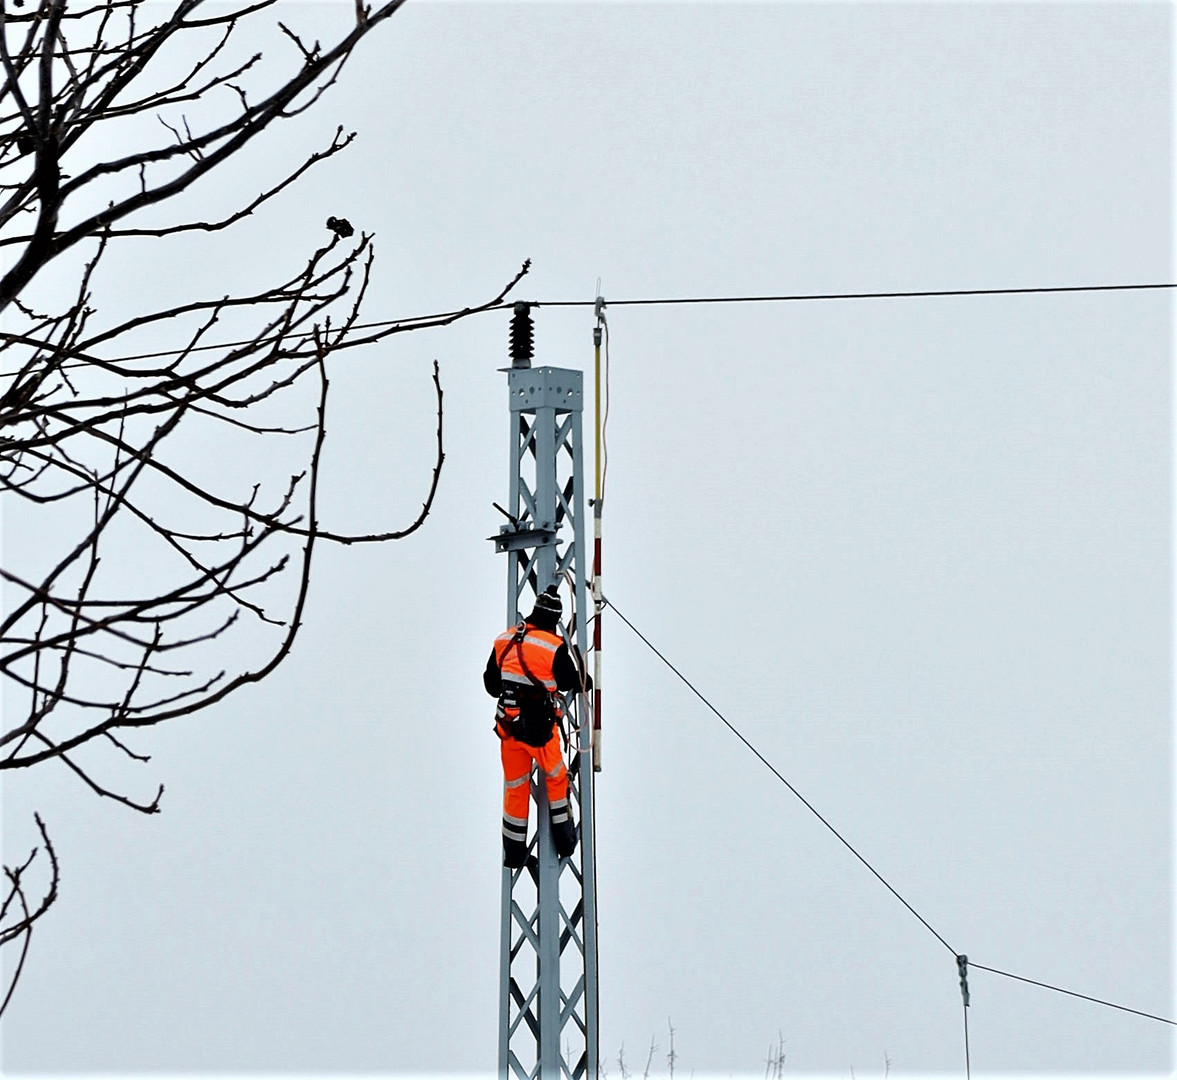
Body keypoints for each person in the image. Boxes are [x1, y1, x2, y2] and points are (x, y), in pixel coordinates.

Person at [484, 585, 591, 868]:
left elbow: (491, 685)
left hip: (508, 727)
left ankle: (515, 852)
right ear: (554, 618)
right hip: (540, 731)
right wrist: (585, 680)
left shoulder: (504, 639)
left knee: (516, 786)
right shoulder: (553, 646)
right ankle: (565, 840)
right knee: (556, 777)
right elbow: (571, 681)